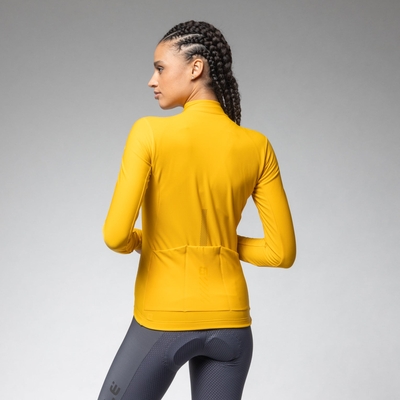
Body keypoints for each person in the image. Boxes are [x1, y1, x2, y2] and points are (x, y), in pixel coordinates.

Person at [98, 20, 296, 400]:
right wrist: (219, 243)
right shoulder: (257, 146)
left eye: (160, 68)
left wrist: (145, 241)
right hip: (231, 325)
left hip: (163, 319)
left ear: (196, 67)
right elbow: (281, 253)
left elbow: (116, 236)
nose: (152, 81)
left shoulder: (149, 133)